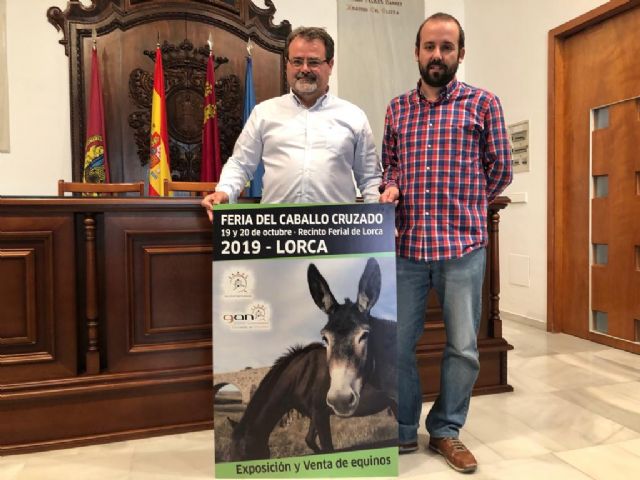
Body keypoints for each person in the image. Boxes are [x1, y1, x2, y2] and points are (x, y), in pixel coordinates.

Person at [379, 13, 513, 473]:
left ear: (460, 53)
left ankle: (446, 430)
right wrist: (392, 184)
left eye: (447, 47)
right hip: (407, 248)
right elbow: (389, 165)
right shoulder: (396, 109)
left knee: (463, 347)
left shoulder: (483, 104)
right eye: (430, 46)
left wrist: (467, 204)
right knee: (396, 345)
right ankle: (400, 431)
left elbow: (501, 170)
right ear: (416, 51)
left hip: (463, 249)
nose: (438, 55)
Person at [201, 26, 381, 220]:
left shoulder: (353, 116)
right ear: (287, 64)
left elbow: (370, 178)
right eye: (297, 61)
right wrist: (225, 191)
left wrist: (381, 222)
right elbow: (241, 164)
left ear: (330, 65)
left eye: (313, 62)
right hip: (278, 232)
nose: (304, 69)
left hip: (336, 232)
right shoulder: (264, 113)